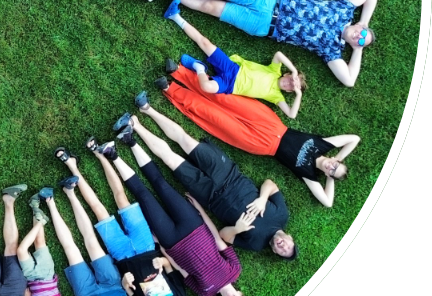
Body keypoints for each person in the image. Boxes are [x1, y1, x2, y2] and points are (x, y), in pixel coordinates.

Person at [153, 66, 360, 207]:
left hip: (262, 145)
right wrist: (339, 159)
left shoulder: (309, 174)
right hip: (270, 122)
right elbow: (354, 139)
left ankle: (170, 89)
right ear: (335, 158)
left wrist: (331, 178)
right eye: (335, 165)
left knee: (213, 117)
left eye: (332, 171)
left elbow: (327, 202)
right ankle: (180, 72)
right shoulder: (323, 146)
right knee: (225, 99)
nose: (331, 167)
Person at [93, 132, 247, 296]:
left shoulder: (205, 292)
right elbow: (218, 240)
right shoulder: (235, 269)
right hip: (194, 226)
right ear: (240, 294)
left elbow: (179, 268)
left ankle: (113, 156)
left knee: (143, 196)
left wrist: (160, 247)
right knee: (161, 184)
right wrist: (200, 211)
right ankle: (131, 141)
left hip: (171, 240)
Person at [138, 0, 379, 87]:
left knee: (211, 6)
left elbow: (349, 80)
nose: (359, 36)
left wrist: (357, 50)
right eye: (362, 32)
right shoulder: (344, 8)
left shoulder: (332, 50)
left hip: (264, 25)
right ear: (359, 25)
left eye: (361, 40)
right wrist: (366, 22)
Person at [127, 98, 296, 258]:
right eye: (288, 246)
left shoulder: (256, 244)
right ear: (290, 238)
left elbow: (224, 236)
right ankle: (147, 109)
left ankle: (136, 126)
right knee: (185, 140)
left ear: (274, 251)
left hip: (210, 196)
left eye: (282, 252)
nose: (283, 247)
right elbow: (270, 184)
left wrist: (237, 229)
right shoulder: (282, 215)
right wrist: (262, 199)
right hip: (229, 174)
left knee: (170, 159)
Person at [54, 148, 189, 296]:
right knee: (121, 198)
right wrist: (161, 260)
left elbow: (128, 293)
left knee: (98, 209)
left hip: (122, 255)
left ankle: (72, 167)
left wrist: (125, 281)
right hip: (146, 245)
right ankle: (100, 154)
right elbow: (170, 267)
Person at [162, 3, 303, 118]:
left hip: (230, 85)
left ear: (290, 91)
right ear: (287, 74)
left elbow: (291, 114)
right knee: (205, 43)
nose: (289, 83)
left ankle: (199, 68)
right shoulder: (275, 70)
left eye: (292, 87)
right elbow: (278, 54)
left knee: (207, 87)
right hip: (232, 68)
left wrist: (299, 94)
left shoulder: (276, 96)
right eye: (292, 79)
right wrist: (294, 70)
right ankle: (175, 16)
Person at [15, 202, 70, 296]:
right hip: (47, 274)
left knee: (21, 251)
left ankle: (40, 222)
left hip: (31, 277)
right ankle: (35, 207)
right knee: (40, 242)